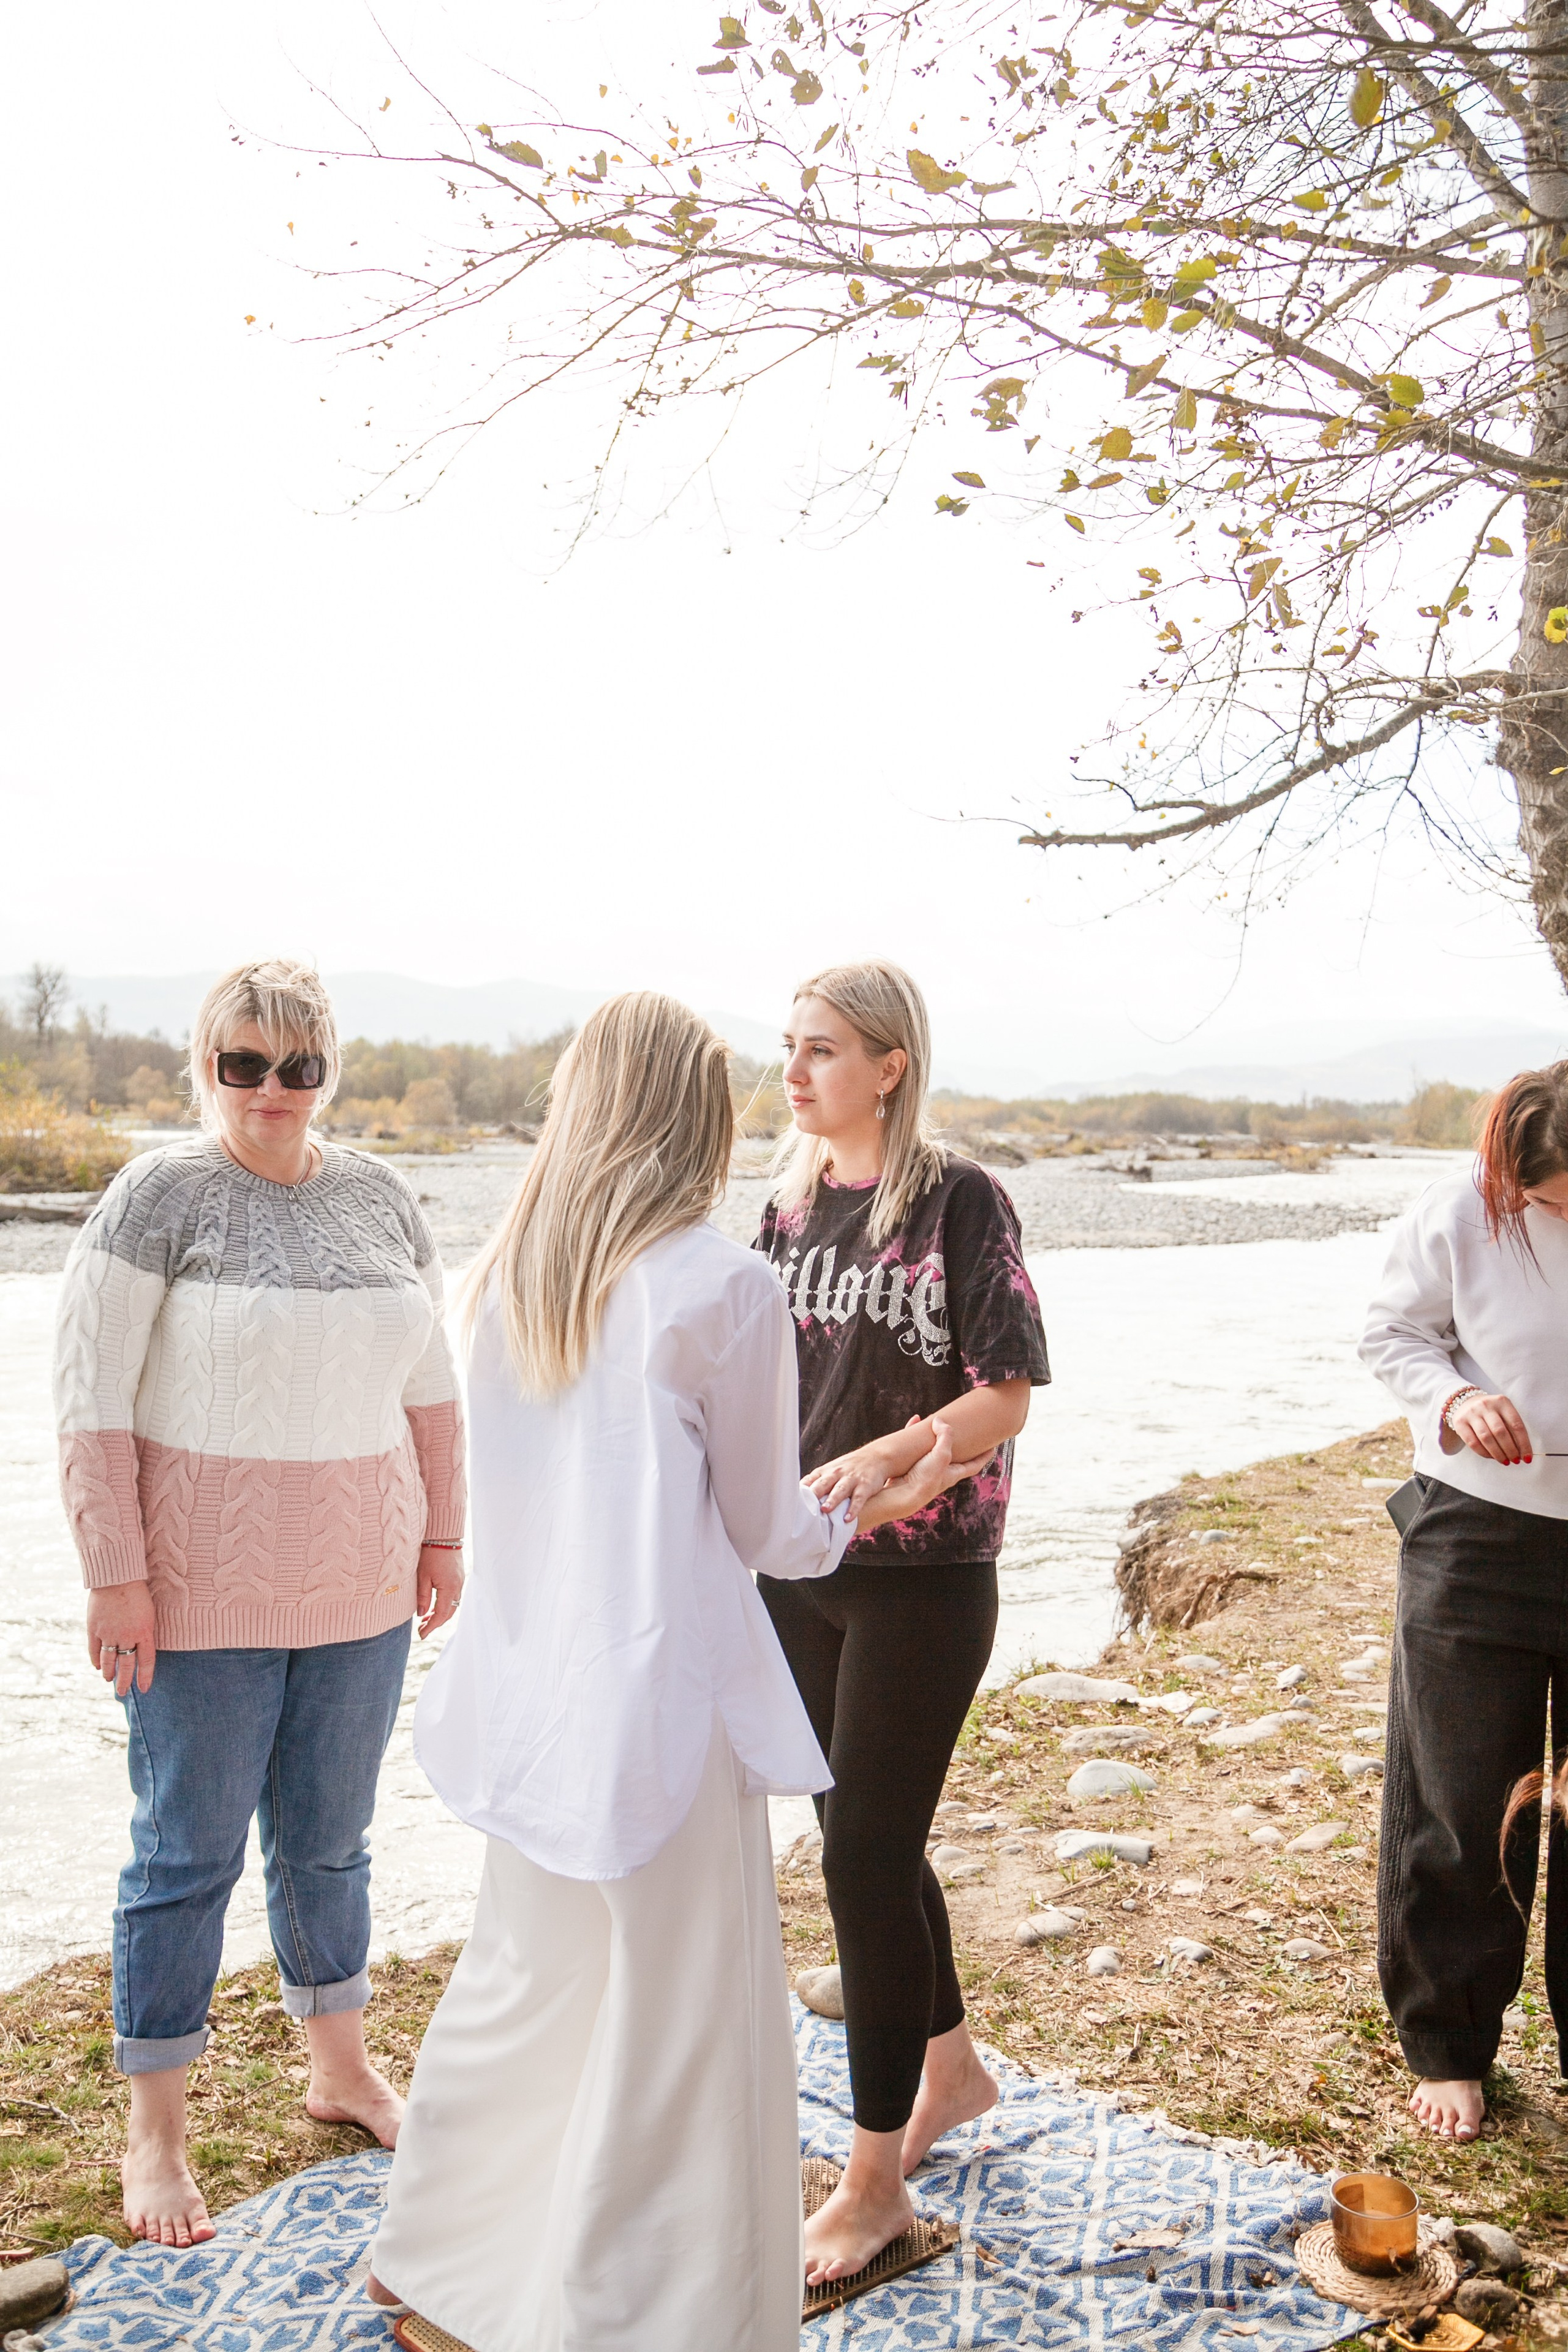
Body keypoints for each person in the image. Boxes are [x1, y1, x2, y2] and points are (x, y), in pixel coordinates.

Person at [366, 992, 983, 2352]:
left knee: (527, 1976)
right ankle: (618, 2318)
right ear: (685, 1120)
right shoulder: (719, 1283)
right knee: (677, 2018)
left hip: (532, 1693)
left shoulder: (513, 1270)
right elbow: (774, 1530)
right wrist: (885, 1491)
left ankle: (436, 2256)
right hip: (657, 1703)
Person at [53, 959, 466, 2247]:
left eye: (298, 1066)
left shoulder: (382, 1195)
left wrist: (445, 1530)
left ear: (328, 1069)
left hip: (361, 1584)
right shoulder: (156, 1196)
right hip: (197, 1593)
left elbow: (431, 1383)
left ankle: (338, 2071)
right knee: (186, 1858)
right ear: (205, 1065)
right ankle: (155, 2136)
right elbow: (90, 1400)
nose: (272, 1090)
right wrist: (114, 1570)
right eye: (243, 1064)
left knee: (331, 1841)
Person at [752, 959, 1051, 2286]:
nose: (796, 1070)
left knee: (862, 1858)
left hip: (926, 1576)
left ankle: (872, 2185)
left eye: (822, 1049)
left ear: (888, 1065)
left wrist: (896, 1452)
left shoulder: (959, 1199)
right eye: (788, 1048)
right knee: (857, 1838)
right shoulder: (786, 1201)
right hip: (797, 1570)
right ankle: (952, 2070)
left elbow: (1006, 1396)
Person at [1360, 1060, 1568, 2143]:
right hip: (1473, 1532)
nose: (1557, 1209)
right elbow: (1390, 1335)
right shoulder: (1458, 1211)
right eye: (1544, 1195)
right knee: (1460, 1792)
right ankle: (1449, 2042)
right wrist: (1456, 1396)